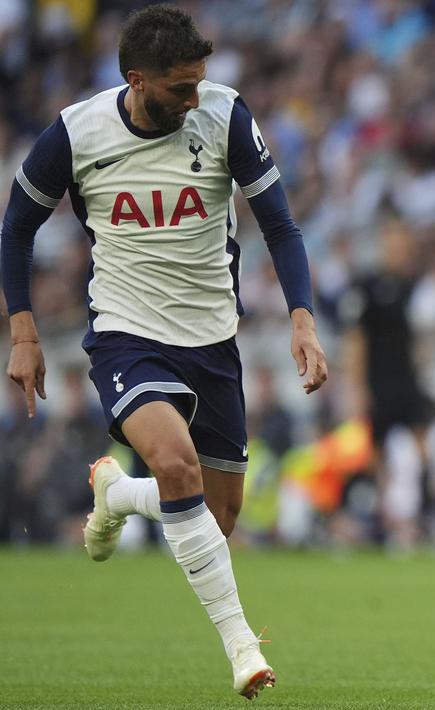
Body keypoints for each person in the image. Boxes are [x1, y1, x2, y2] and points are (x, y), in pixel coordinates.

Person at [1, 5, 327, 699]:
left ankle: (117, 493)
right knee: (175, 465)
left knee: (218, 516)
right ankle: (243, 647)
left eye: (200, 82)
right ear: (137, 79)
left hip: (212, 340)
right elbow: (16, 228)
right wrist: (24, 333)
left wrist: (302, 317)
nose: (193, 97)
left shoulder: (224, 114)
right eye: (180, 87)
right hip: (126, 334)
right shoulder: (77, 132)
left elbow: (280, 225)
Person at [342, 218, 435, 552]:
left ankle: (422, 517)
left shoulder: (414, 286)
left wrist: (423, 368)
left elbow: (422, 337)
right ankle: (381, 523)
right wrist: (357, 387)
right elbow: (356, 340)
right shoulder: (366, 287)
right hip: (378, 383)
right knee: (374, 454)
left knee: (424, 448)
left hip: (408, 382)